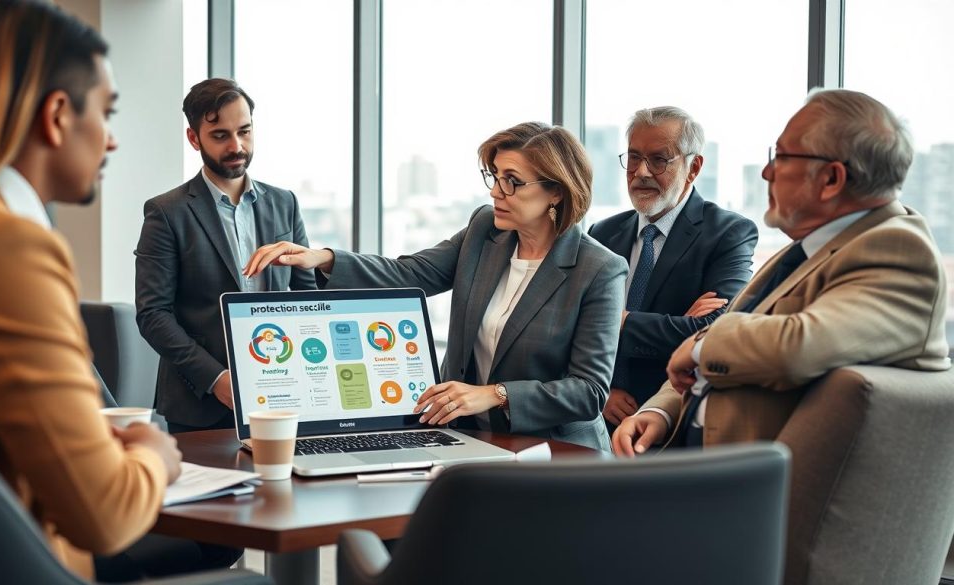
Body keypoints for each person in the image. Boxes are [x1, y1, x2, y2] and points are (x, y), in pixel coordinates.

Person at [0, 1, 181, 580]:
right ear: (58, 115)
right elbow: (103, 514)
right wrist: (153, 457)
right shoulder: (2, 248)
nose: (113, 141)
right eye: (107, 113)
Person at [244, 122, 627, 451]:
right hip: (472, 439)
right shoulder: (484, 231)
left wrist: (494, 394)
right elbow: (409, 275)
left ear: (556, 191)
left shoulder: (599, 269)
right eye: (494, 176)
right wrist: (322, 258)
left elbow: (588, 391)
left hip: (556, 452)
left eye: (512, 182)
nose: (496, 191)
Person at [613, 89, 951, 457]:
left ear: (832, 179)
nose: (766, 172)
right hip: (698, 454)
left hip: (757, 475)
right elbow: (737, 334)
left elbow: (799, 344)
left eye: (783, 156)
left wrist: (700, 343)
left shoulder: (898, 248)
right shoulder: (803, 252)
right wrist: (659, 411)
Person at [135, 78, 316, 434]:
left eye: (244, 131)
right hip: (201, 405)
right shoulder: (166, 213)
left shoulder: (285, 204)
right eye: (220, 135)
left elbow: (307, 296)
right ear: (194, 138)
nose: (237, 146)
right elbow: (153, 314)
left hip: (282, 396)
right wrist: (216, 379)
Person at [588, 107, 757, 428]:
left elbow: (712, 332)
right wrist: (603, 389)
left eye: (659, 160)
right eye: (634, 157)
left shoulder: (728, 232)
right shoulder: (603, 233)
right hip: (598, 413)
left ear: (693, 167)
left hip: (673, 416)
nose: (641, 172)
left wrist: (614, 318)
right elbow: (573, 328)